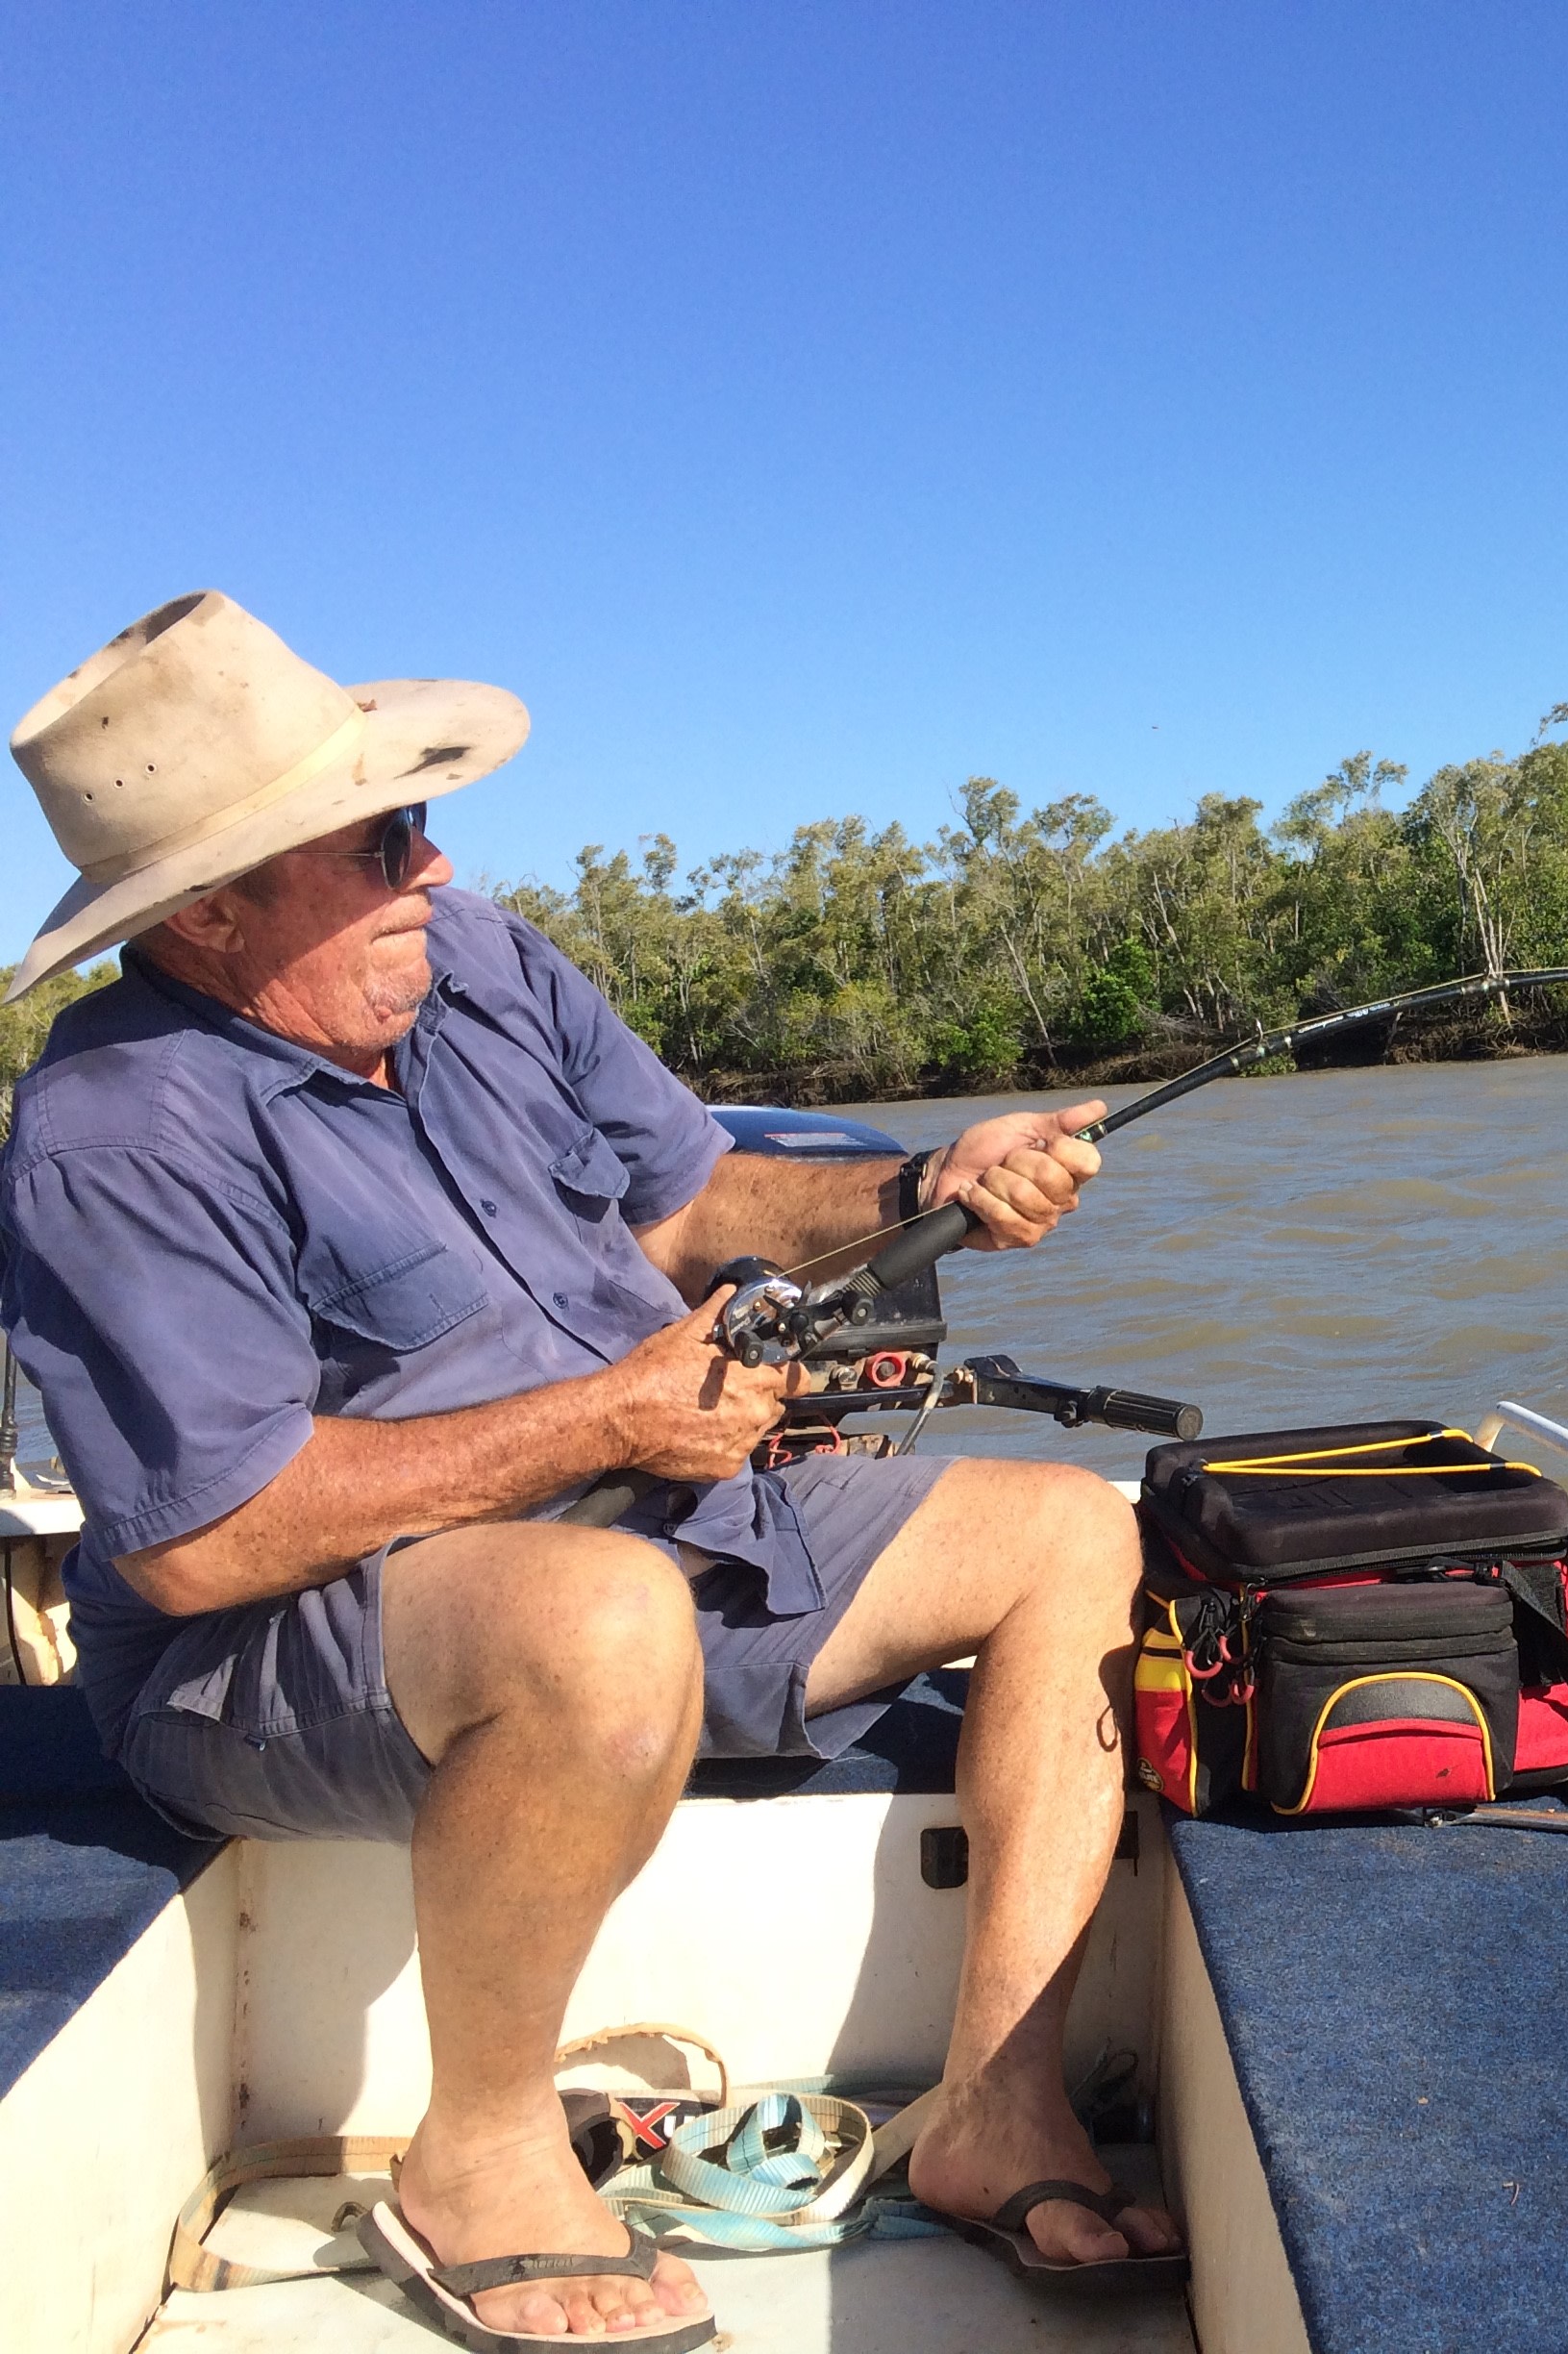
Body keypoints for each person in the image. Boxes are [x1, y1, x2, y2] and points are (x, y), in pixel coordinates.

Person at [0, 592, 1178, 2349]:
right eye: (380, 834)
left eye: (413, 815)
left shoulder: (477, 962)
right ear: (213, 908)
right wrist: (608, 1426)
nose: (433, 855)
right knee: (602, 1617)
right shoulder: (115, 1134)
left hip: (650, 1525)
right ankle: (473, 2158)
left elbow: (701, 1203)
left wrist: (937, 1180)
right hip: (258, 1658)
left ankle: (999, 2105)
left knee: (1075, 1534)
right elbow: (201, 1544)